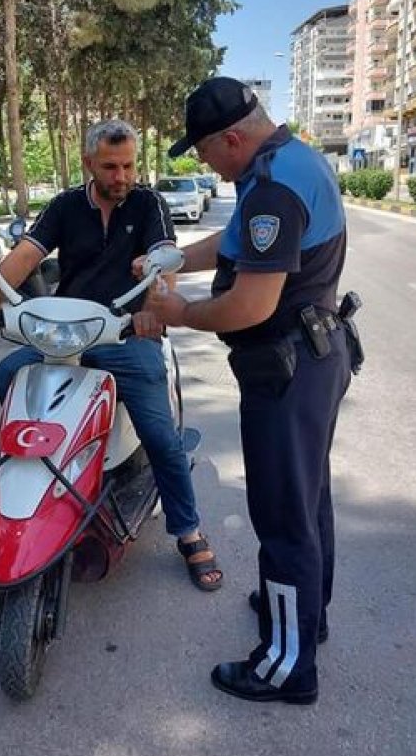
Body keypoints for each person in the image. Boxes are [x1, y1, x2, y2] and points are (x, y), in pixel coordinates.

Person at [145, 77, 351, 703]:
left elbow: (249, 306)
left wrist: (178, 312)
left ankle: (286, 666)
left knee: (283, 515)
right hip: (314, 357)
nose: (205, 162)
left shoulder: (272, 189)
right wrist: (175, 258)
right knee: (307, 498)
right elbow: (240, 246)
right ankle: (303, 611)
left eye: (205, 151)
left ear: (233, 137)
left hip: (287, 370)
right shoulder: (288, 159)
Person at [0, 118, 222, 591]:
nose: (121, 176)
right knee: (7, 375)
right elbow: (24, 256)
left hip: (125, 335)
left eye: (127, 166)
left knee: (162, 438)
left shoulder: (149, 203)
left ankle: (187, 530)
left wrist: (154, 312)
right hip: (63, 335)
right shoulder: (65, 205)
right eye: (110, 166)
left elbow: (165, 260)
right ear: (89, 163)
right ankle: (34, 485)